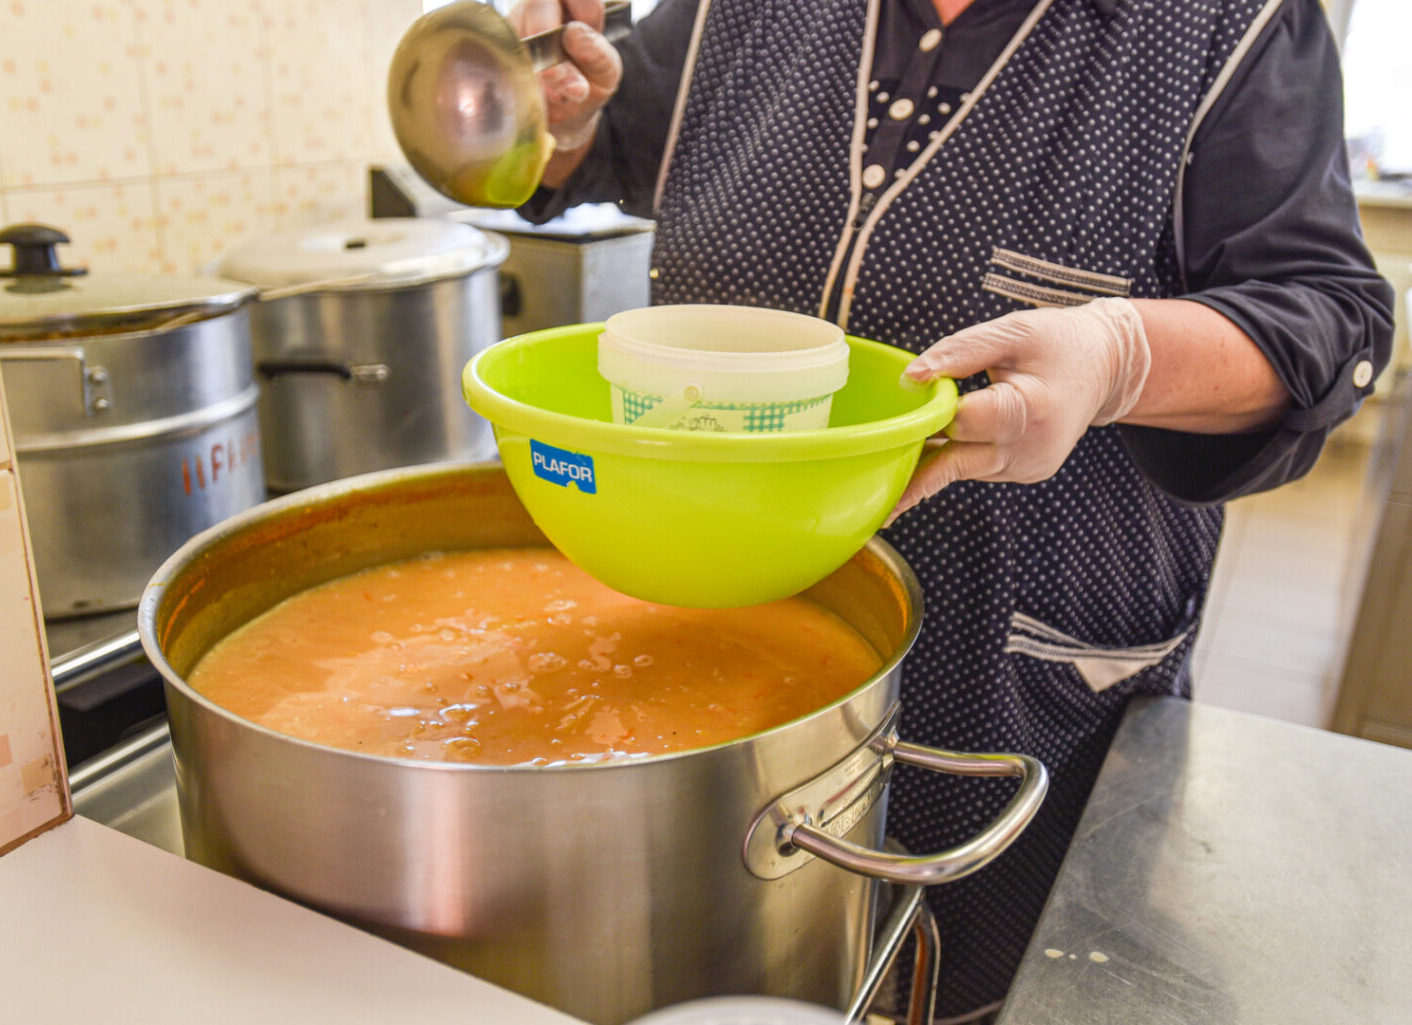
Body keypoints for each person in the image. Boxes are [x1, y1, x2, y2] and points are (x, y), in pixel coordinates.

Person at [509, 0, 1395, 1020]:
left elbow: (1328, 315)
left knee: (978, 979)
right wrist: (555, 124)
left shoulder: (1225, 24)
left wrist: (1120, 358)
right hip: (728, 645)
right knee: (724, 976)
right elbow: (613, 132)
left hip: (1012, 675)